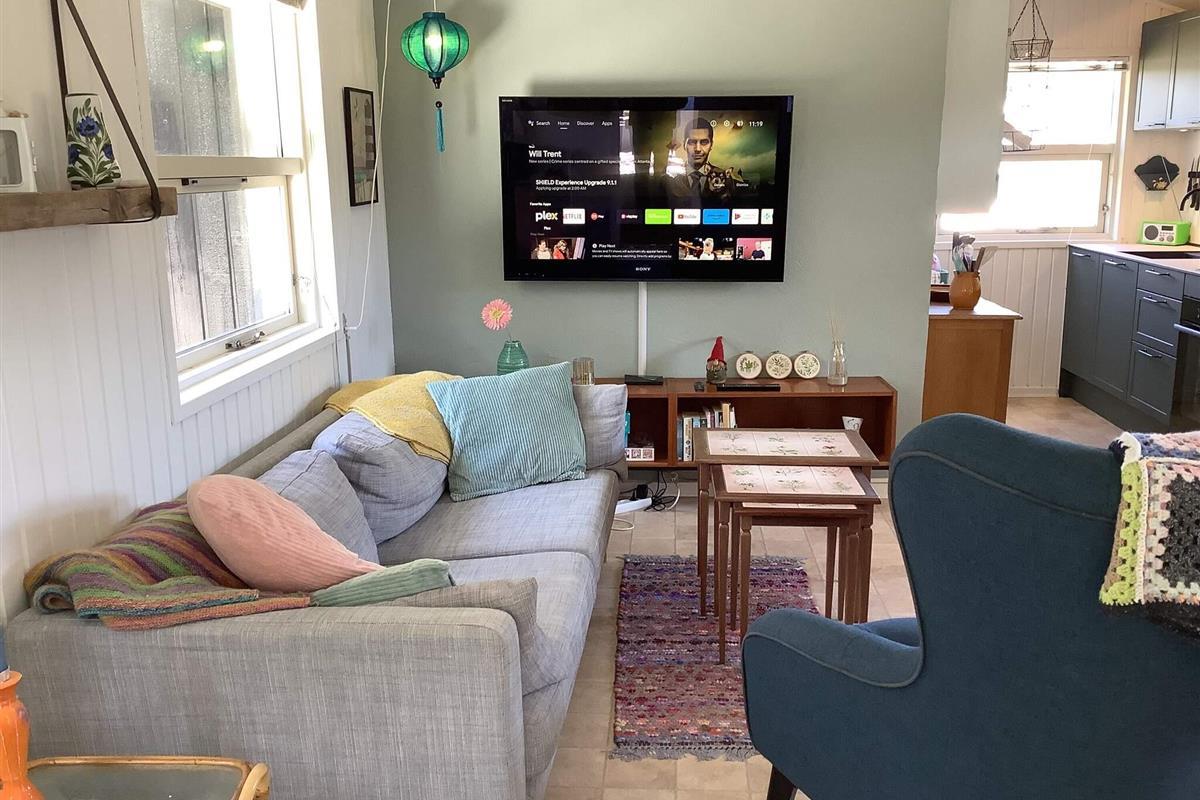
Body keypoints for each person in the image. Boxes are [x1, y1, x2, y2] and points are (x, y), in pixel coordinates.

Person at [661, 117, 749, 204]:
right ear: (685, 144)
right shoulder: (668, 179)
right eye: (692, 142)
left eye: (704, 142)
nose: (698, 149)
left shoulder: (728, 179)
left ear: (711, 145)